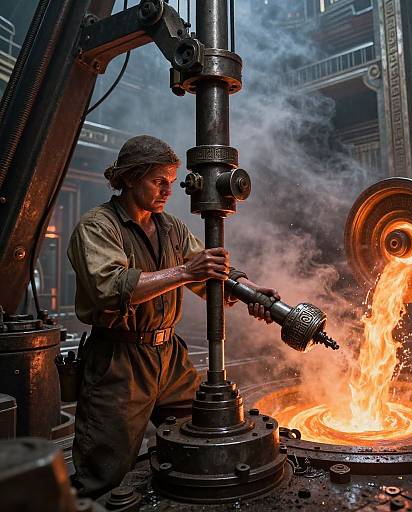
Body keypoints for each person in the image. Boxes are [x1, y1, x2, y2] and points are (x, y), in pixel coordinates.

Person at [67, 135, 279, 498]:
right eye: (158, 180)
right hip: (120, 362)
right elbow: (111, 287)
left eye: (171, 180)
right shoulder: (97, 226)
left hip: (170, 358)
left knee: (201, 436)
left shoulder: (171, 228)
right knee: (104, 470)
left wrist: (251, 292)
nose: (169, 190)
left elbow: (209, 273)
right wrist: (183, 273)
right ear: (130, 178)